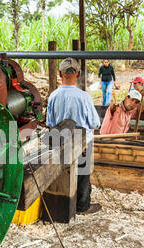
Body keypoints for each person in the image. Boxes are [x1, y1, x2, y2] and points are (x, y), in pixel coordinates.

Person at [46, 57, 101, 214]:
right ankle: (82, 206)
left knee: (62, 173)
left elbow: (50, 122)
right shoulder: (84, 97)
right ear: (78, 74)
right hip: (81, 143)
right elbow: (95, 123)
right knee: (83, 174)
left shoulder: (53, 96)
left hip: (60, 142)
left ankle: (61, 205)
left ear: (60, 73)